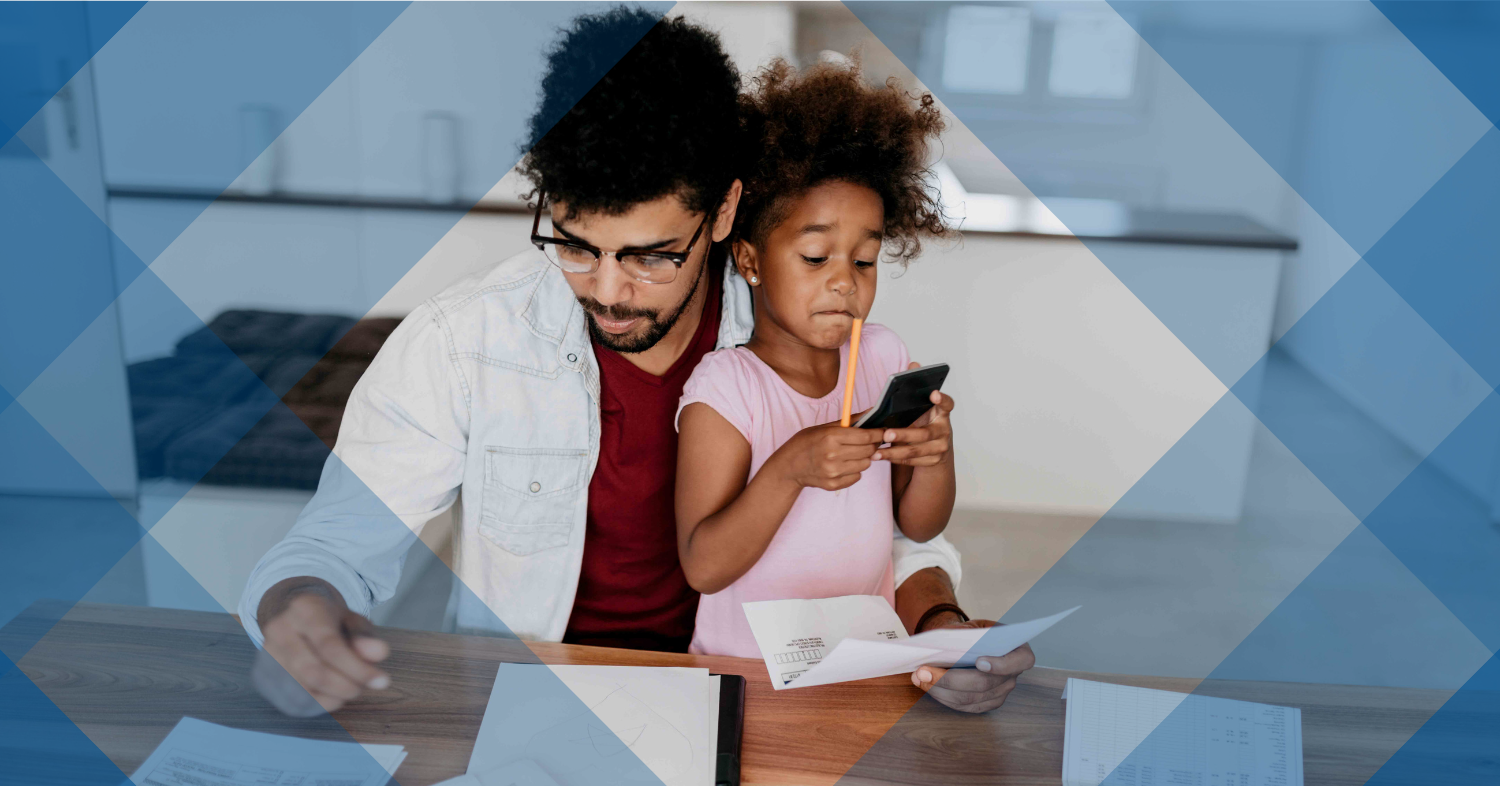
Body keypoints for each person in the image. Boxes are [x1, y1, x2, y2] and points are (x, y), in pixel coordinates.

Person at [238, 7, 1032, 715]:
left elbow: (878, 528)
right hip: (535, 697)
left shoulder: (808, 329)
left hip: (754, 692)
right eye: (577, 246)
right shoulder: (465, 341)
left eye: (651, 256)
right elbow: (338, 541)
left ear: (724, 213)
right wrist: (296, 607)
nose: (610, 292)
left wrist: (940, 629)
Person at [676, 58, 958, 659]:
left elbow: (920, 526)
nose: (844, 283)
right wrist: (790, 467)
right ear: (750, 261)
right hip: (745, 668)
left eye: (863, 261)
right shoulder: (726, 387)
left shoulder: (883, 355)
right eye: (814, 257)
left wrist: (936, 452)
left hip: (859, 655)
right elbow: (703, 566)